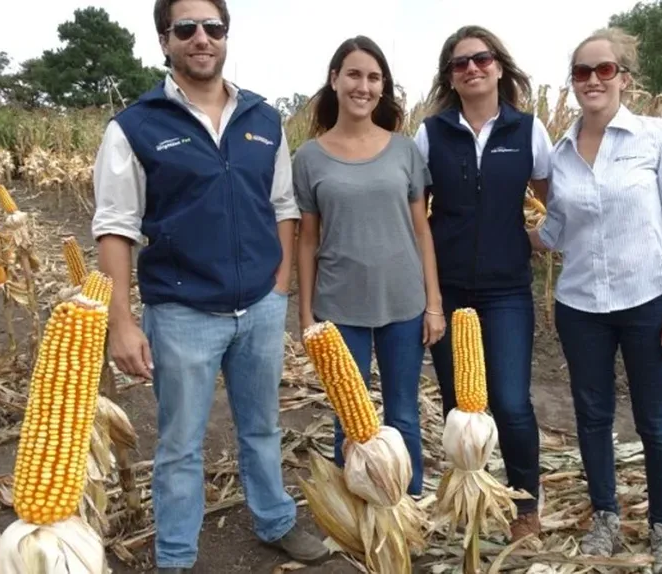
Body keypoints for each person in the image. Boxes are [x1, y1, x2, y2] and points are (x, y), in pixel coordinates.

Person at [91, 0, 329, 571]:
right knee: (179, 446)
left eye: (213, 27)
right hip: (181, 312)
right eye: (187, 28)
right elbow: (116, 226)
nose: (202, 38)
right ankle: (176, 556)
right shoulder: (134, 127)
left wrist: (278, 287)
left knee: (263, 426)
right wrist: (121, 321)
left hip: (259, 308)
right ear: (165, 40)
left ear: (226, 36)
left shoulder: (263, 119)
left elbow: (282, 206)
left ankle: (275, 520)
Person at [529, 27, 662, 574]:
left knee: (657, 420)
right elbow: (555, 230)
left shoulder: (658, 136)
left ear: (625, 78)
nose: (592, 80)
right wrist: (498, 220)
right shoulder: (559, 154)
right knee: (593, 415)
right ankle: (605, 514)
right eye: (581, 72)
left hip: (650, 299)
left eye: (604, 70)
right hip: (581, 307)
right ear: (572, 83)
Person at [413, 24, 553, 541]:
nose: (472, 68)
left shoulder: (527, 131)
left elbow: (553, 197)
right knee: (459, 405)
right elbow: (415, 211)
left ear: (498, 66)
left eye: (481, 59)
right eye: (460, 63)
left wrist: (537, 239)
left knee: (512, 402)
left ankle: (524, 504)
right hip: (448, 289)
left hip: (507, 290)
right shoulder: (431, 134)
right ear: (450, 76)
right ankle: (470, 494)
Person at [294, 36, 444, 498]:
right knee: (350, 418)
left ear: (383, 87)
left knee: (402, 414)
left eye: (374, 77)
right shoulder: (309, 157)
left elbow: (422, 230)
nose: (364, 85)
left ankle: (408, 503)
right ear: (334, 80)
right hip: (340, 305)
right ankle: (359, 510)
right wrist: (305, 316)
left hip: (403, 301)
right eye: (354, 74)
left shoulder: (404, 151)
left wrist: (434, 304)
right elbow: (308, 241)